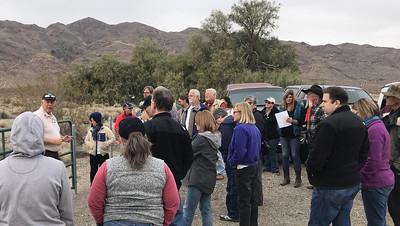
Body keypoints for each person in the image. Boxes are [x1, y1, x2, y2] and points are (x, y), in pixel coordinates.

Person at [88, 117, 179, 226]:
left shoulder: (108, 167)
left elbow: (94, 201)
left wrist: (102, 221)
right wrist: (165, 222)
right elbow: (173, 203)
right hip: (152, 221)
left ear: (120, 139)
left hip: (115, 221)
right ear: (144, 136)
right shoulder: (161, 167)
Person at [306, 86, 369, 226]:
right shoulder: (359, 121)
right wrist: (353, 170)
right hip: (350, 183)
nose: (321, 104)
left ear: (337, 103)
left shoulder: (328, 124)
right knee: (342, 221)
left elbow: (316, 157)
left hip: (330, 185)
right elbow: (364, 153)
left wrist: (314, 176)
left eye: (325, 101)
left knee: (318, 223)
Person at [0, 112, 73, 225]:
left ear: (13, 134)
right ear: (40, 134)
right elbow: (67, 214)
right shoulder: (57, 168)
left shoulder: (1, 168)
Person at [144, 86, 193, 226]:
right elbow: (189, 157)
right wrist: (178, 175)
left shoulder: (148, 128)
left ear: (153, 104)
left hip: (151, 184)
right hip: (174, 182)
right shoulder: (181, 129)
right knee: (173, 217)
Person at [352, 98, 394, 226]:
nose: (355, 117)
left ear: (364, 111)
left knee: (376, 220)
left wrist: (359, 176)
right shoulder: (375, 126)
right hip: (380, 179)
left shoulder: (374, 130)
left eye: (357, 114)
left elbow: (373, 160)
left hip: (376, 182)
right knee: (377, 218)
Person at [182, 111, 221, 226]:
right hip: (209, 177)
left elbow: (187, 154)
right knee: (206, 209)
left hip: (197, 178)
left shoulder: (201, 139)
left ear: (202, 122)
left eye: (197, 122)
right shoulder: (214, 138)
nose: (195, 124)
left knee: (188, 210)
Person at [228, 102, 261, 226]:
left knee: (244, 202)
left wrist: (232, 162)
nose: (233, 114)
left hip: (243, 167)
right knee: (253, 200)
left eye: (235, 111)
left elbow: (240, 150)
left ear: (242, 113)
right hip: (254, 166)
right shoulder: (254, 128)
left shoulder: (240, 129)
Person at [213, 108, 239, 222]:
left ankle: (233, 213)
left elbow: (225, 144)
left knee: (232, 186)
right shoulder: (233, 123)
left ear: (219, 118)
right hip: (235, 160)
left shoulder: (226, 125)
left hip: (230, 160)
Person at [381, 84, 400, 225]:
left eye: (389, 96)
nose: (386, 98)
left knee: (395, 205)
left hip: (397, 167)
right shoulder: (391, 115)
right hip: (392, 165)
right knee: (393, 206)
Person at [34, 92, 72, 159]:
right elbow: (34, 137)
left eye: (52, 102)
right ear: (42, 102)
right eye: (47, 102)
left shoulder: (52, 116)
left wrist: (62, 138)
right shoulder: (36, 116)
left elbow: (53, 132)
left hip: (54, 153)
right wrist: (54, 141)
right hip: (43, 154)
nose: (50, 104)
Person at [279, 90, 305, 187]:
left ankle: (298, 179)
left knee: (295, 155)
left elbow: (302, 121)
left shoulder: (299, 107)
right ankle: (286, 178)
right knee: (285, 155)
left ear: (293, 97)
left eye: (290, 97)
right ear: (284, 98)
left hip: (294, 135)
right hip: (284, 135)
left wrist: (293, 121)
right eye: (287, 97)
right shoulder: (281, 108)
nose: (288, 99)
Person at [301, 85, 325, 189]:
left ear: (315, 97)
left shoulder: (321, 109)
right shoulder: (311, 108)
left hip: (318, 141)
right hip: (310, 140)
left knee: (315, 162)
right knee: (311, 162)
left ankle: (318, 183)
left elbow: (324, 125)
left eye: (309, 95)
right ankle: (315, 182)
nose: (307, 97)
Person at [83, 112, 116, 184]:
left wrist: (106, 144)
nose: (91, 122)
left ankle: (104, 186)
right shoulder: (90, 130)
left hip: (103, 154)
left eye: (92, 120)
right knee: (93, 172)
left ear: (97, 120)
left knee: (104, 172)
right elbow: (86, 140)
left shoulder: (105, 129)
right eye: (91, 120)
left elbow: (113, 138)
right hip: (93, 154)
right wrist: (91, 145)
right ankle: (93, 187)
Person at [244, 96, 265, 205]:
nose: (247, 105)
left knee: (257, 177)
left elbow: (259, 134)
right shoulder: (249, 116)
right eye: (246, 103)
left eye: (250, 103)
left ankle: (257, 199)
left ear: (254, 105)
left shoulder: (257, 116)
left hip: (256, 151)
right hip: (251, 151)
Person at [261, 97, 280, 175]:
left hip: (274, 135)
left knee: (273, 151)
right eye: (266, 102)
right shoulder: (263, 111)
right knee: (266, 151)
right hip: (265, 135)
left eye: (269, 102)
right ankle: (267, 166)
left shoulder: (276, 112)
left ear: (273, 104)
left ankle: (275, 168)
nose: (267, 104)